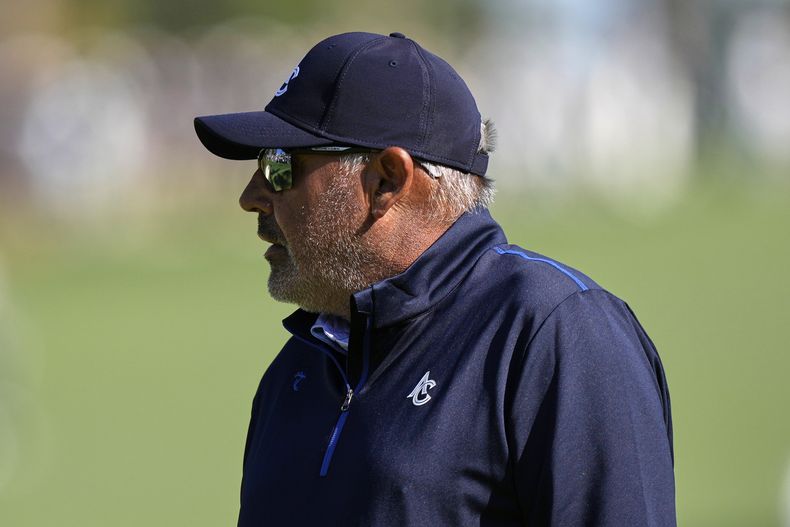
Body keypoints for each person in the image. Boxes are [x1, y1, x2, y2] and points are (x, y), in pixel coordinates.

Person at [194, 31, 676, 526]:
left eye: (280, 166)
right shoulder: (293, 373)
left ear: (387, 179)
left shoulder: (557, 333)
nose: (251, 196)